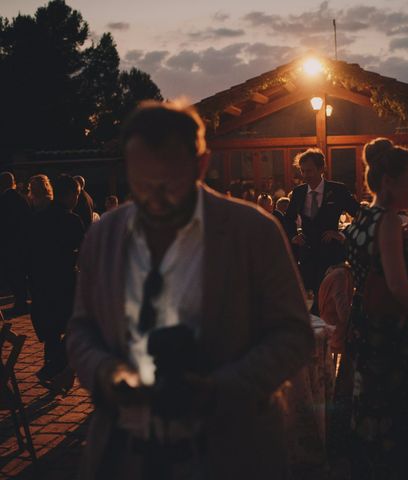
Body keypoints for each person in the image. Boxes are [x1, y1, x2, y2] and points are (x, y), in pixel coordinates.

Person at [66, 101, 314, 480]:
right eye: (141, 183)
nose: (154, 197)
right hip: (125, 455)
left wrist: (220, 389)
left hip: (232, 452)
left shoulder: (253, 231)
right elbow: (81, 328)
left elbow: (294, 334)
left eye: (168, 183)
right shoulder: (104, 234)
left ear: (201, 165)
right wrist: (107, 374)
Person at [344, 138, 408, 479]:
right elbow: (398, 286)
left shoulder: (363, 219)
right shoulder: (390, 223)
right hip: (391, 334)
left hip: (366, 327)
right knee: (396, 419)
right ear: (388, 181)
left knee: (371, 414)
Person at [28, 174, 84, 385]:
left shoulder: (38, 218)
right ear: (68, 195)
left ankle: (57, 375)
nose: (77, 199)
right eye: (76, 194)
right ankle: (53, 370)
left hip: (41, 282)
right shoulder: (71, 220)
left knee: (52, 330)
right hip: (65, 283)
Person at [284, 148, 359, 296]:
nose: (306, 175)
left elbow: (360, 216)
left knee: (327, 297)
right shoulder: (299, 192)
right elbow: (288, 219)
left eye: (310, 171)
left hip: (330, 254)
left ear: (321, 169)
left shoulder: (338, 190)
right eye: (303, 171)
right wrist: (293, 236)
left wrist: (342, 234)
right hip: (307, 255)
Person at [0, 171, 31, 317]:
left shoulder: (5, 199)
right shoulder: (22, 198)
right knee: (20, 274)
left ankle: (20, 303)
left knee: (14, 274)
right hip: (22, 243)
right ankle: (22, 301)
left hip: (9, 244)